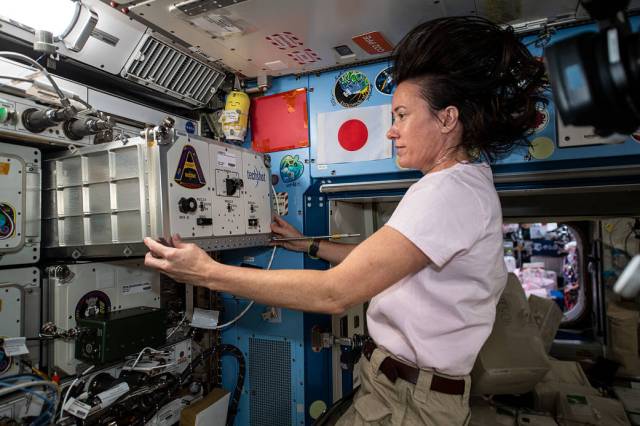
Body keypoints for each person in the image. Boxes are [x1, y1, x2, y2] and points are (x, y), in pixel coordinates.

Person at [144, 15, 547, 425]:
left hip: (410, 403)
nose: (392, 132)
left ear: (447, 119)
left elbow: (333, 293)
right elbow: (384, 261)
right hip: (397, 388)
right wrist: (310, 246)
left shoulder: (448, 192)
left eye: (402, 115)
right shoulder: (465, 186)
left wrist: (206, 273)